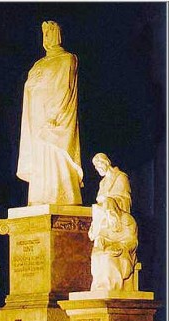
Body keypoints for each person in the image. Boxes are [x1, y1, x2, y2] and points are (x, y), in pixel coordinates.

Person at [17, 20, 83, 206]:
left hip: (55, 121)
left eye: (50, 33)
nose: (46, 38)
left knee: (55, 156)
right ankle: (40, 198)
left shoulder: (67, 59)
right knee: (40, 160)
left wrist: (54, 115)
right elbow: (29, 88)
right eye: (44, 34)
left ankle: (62, 198)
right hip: (37, 119)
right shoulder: (38, 64)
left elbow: (65, 88)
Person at [88, 154, 138, 291]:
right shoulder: (102, 183)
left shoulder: (121, 177)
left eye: (99, 165)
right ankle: (100, 288)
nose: (98, 169)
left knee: (108, 260)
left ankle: (108, 288)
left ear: (106, 163)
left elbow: (125, 200)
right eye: (95, 167)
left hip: (117, 219)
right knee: (98, 256)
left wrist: (111, 202)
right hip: (106, 219)